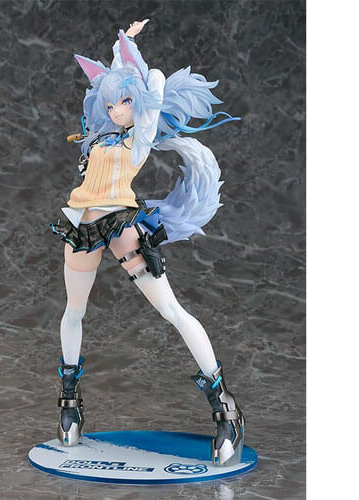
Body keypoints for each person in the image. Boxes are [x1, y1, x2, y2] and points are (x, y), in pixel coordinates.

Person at [51, 19, 244, 465]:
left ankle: (225, 406)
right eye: (111, 103)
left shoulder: (139, 138)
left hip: (121, 225)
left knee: (171, 309)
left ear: (137, 103)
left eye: (125, 102)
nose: (116, 109)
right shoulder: (99, 137)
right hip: (81, 225)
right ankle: (69, 400)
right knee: (73, 311)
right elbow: (110, 80)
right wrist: (120, 49)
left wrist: (133, 53)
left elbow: (152, 81)